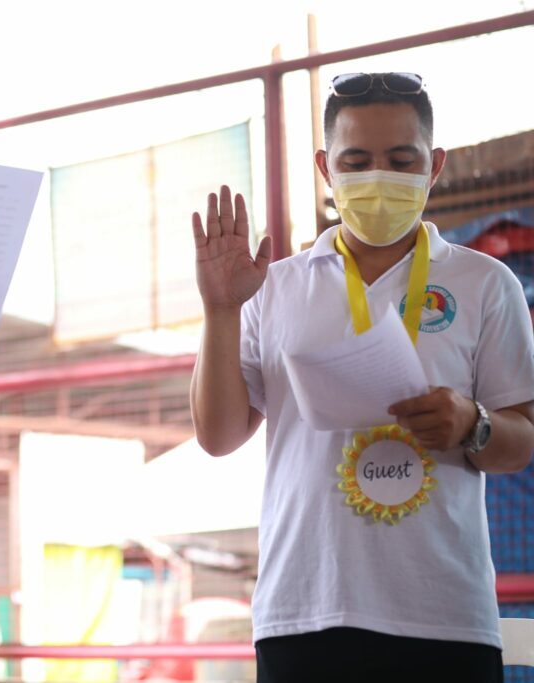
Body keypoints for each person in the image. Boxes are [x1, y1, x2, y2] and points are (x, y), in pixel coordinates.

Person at [189, 72, 534, 682]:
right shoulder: (273, 287)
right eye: (356, 162)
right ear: (326, 168)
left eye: (402, 161)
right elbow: (217, 437)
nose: (379, 178)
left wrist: (472, 424)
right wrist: (220, 310)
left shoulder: (486, 283)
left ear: (434, 166)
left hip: (445, 617)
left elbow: (522, 442)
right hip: (303, 611)